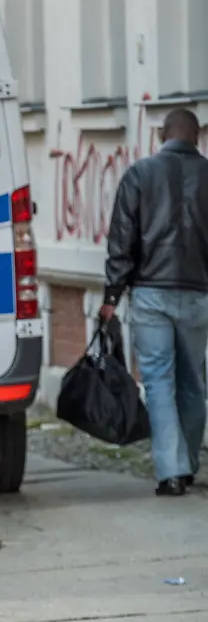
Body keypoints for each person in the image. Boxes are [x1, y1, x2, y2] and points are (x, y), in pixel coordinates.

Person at [101, 108, 208, 497]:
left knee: (159, 381)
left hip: (149, 294)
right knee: (194, 381)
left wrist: (112, 295)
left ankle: (171, 472)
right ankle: (190, 463)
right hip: (198, 294)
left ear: (162, 134)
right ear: (197, 136)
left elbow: (122, 239)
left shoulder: (139, 175)